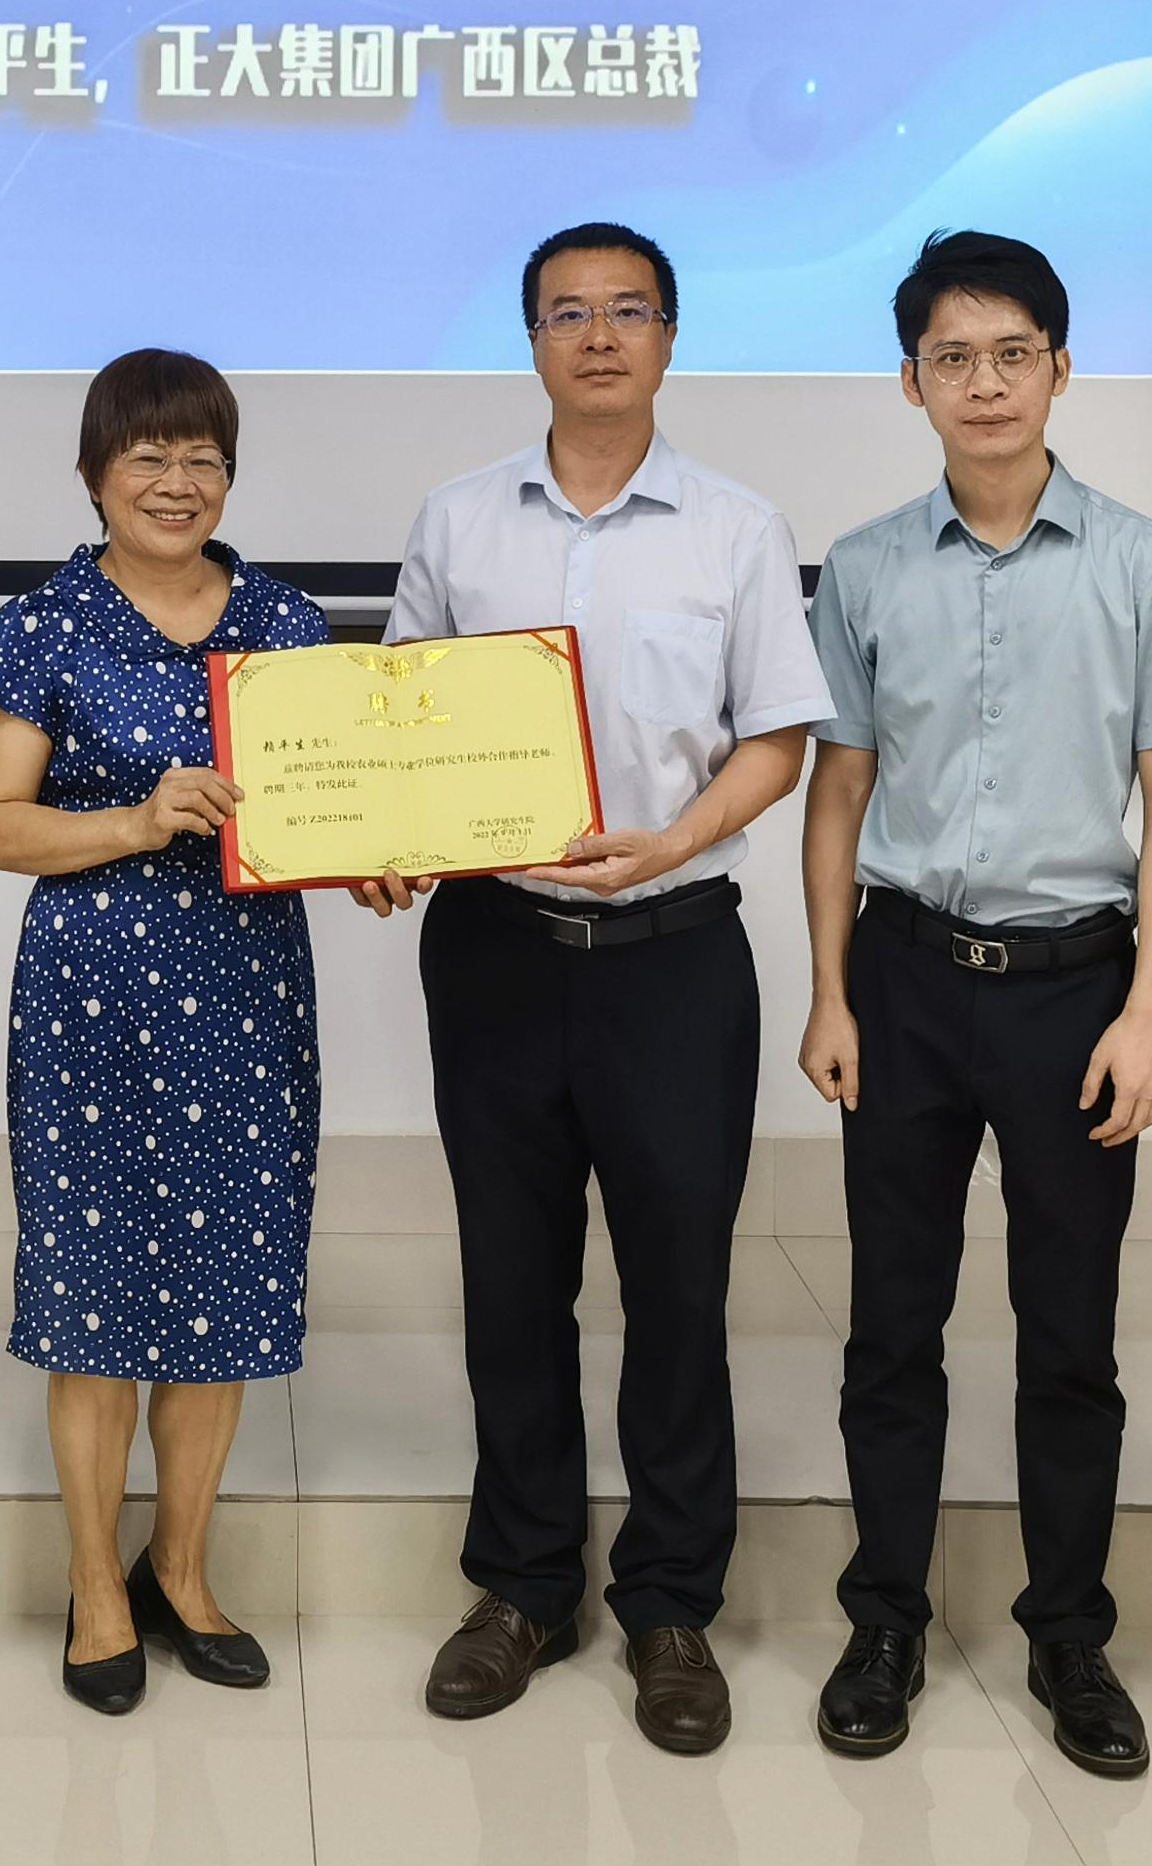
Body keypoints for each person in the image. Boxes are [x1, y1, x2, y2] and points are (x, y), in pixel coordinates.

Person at [360, 222, 833, 1759]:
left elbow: (777, 738)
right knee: (512, 1283)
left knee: (677, 1290)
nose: (599, 336)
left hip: (673, 954)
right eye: (567, 313)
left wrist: (673, 842)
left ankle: (671, 1603)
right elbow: (396, 730)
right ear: (532, 343)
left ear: (670, 337)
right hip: (493, 950)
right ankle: (522, 1588)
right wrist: (385, 838)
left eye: (628, 310)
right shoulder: (457, 521)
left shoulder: (735, 529)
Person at [799, 229, 1152, 1775]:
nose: (982, 383)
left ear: (1060, 369)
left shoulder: (1144, 566)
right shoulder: (862, 567)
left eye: (1011, 355)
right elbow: (838, 791)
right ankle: (884, 1620)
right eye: (951, 358)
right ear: (908, 382)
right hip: (904, 982)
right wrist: (829, 990)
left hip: (1074, 993)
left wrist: (1151, 1013)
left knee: (1068, 1335)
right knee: (889, 1327)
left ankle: (1067, 1635)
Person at [0, 350, 324, 1712]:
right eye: (147, 458)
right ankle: (95, 1587)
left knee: (227, 1289)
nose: (177, 483)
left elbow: (329, 803)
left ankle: (179, 1569)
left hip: (246, 999)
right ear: (93, 473)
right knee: (91, 1302)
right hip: (90, 1004)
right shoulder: (46, 622)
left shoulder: (285, 622)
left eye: (202, 460)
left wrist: (378, 854)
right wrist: (134, 819)